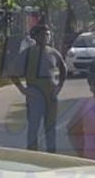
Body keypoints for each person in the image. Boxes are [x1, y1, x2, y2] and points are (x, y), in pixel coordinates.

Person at [10, 25, 67, 153]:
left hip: (51, 93)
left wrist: (59, 86)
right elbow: (12, 71)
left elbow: (63, 70)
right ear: (35, 37)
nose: (45, 37)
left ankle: (51, 153)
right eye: (42, 34)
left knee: (50, 126)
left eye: (47, 34)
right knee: (33, 126)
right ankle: (32, 153)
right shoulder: (27, 53)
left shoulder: (53, 52)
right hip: (34, 93)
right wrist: (22, 89)